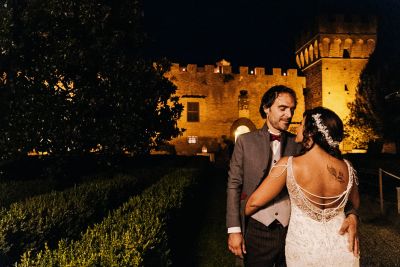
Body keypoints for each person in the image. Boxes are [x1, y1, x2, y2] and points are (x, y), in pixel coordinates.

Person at [226, 85, 359, 267]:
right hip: (257, 229)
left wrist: (351, 215)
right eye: (283, 108)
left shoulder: (301, 143)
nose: (289, 115)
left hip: (293, 230)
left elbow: (337, 191)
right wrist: (235, 228)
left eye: (292, 109)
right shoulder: (245, 141)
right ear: (266, 108)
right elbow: (234, 185)